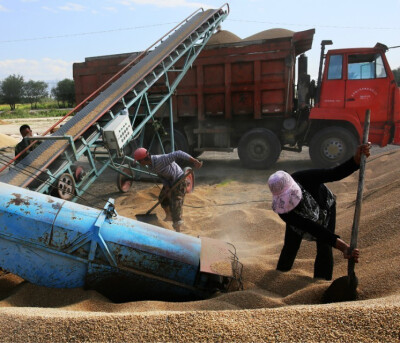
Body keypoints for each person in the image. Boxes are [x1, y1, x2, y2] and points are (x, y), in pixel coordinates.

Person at [267, 143, 371, 280]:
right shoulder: (284, 211)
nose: (290, 201)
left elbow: (335, 173)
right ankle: (278, 277)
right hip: (305, 221)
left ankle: (321, 283)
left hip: (324, 209)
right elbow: (312, 228)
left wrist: (355, 160)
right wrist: (343, 246)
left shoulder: (306, 177)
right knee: (291, 244)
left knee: (324, 247)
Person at [133, 148, 203, 232]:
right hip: (170, 182)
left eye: (139, 161)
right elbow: (162, 175)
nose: (139, 163)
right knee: (163, 199)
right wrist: (166, 187)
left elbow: (178, 153)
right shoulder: (151, 166)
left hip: (179, 180)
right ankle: (169, 215)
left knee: (176, 206)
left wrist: (194, 161)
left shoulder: (161, 160)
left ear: (145, 159)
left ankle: (178, 232)